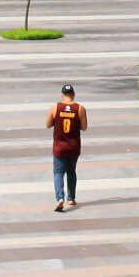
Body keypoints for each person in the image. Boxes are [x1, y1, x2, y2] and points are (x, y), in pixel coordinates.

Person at [46, 84, 87, 213]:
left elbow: (48, 124)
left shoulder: (55, 107)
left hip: (59, 147)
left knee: (58, 173)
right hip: (74, 147)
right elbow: (84, 127)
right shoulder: (80, 108)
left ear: (62, 95)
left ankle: (59, 198)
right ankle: (71, 198)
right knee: (71, 171)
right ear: (73, 95)